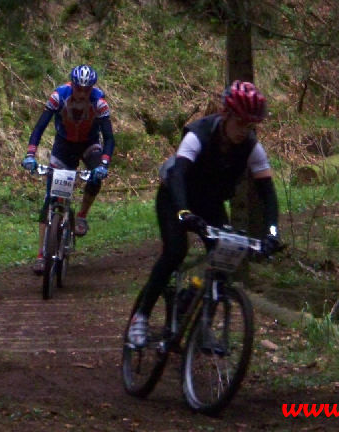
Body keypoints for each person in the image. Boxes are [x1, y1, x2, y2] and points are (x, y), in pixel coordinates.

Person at [127, 81, 282, 347]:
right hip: (176, 196)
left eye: (250, 126)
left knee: (226, 254)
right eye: (240, 123)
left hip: (210, 202)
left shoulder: (252, 147)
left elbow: (267, 192)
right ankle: (140, 317)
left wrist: (272, 232)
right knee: (175, 252)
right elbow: (178, 173)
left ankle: (200, 320)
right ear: (226, 114)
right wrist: (183, 212)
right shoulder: (198, 134)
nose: (244, 131)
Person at [21, 65, 115, 275]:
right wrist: (30, 154)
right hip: (64, 146)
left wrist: (104, 164)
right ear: (72, 85)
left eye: (86, 89)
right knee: (50, 197)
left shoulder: (99, 102)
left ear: (92, 88)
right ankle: (40, 255)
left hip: (89, 144)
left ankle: (81, 215)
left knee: (96, 176)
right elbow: (39, 127)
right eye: (78, 88)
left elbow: (109, 138)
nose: (81, 93)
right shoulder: (58, 96)